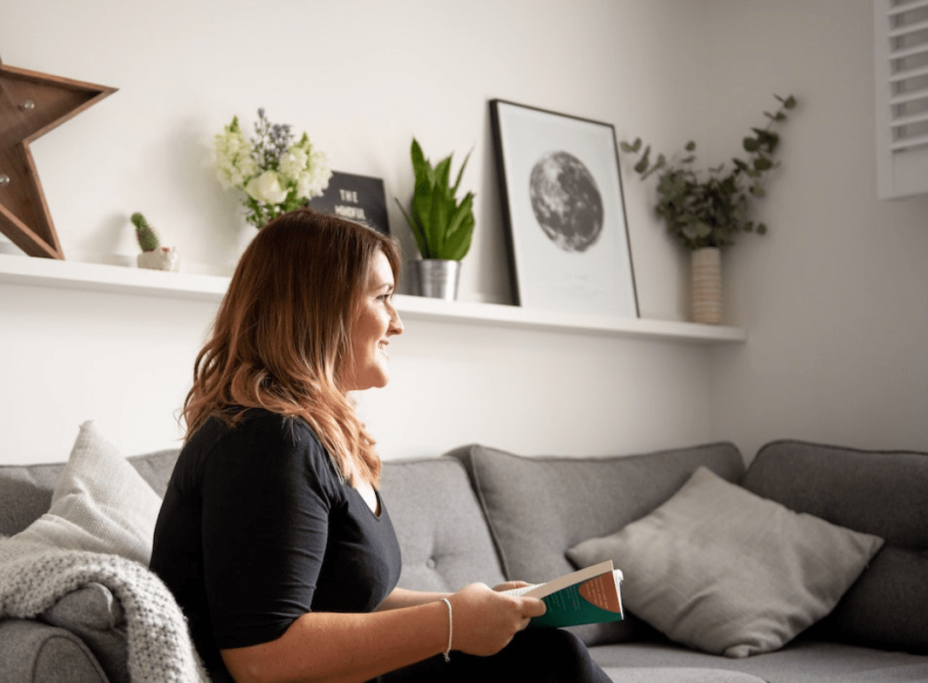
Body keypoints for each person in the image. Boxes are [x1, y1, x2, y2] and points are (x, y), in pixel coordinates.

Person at [150, 208, 613, 683]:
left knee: (544, 648)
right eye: (383, 297)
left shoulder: (310, 434)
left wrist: (477, 607)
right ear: (318, 307)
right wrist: (451, 623)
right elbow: (261, 658)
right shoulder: (265, 440)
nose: (397, 323)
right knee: (554, 659)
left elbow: (353, 599)